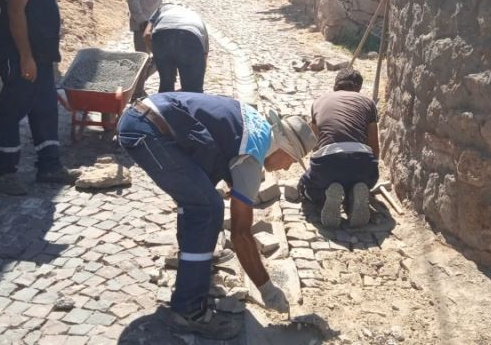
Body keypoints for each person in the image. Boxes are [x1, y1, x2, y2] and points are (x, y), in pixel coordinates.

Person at [117, 92, 316, 339]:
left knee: (198, 199)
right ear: (283, 146)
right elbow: (241, 234)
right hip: (148, 131)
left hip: (142, 119)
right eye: (291, 159)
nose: (287, 167)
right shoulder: (251, 155)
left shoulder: (255, 124)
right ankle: (188, 310)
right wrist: (267, 288)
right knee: (208, 209)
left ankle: (194, 269)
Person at [0, 0, 82, 196]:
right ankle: (3, 172)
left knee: (45, 110)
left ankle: (49, 166)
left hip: (41, 57)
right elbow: (16, 12)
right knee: (12, 110)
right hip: (20, 55)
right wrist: (26, 57)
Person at [298, 68, 380, 228]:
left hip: (329, 162)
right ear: (359, 88)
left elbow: (313, 143)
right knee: (357, 180)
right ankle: (354, 193)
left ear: (335, 85)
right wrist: (370, 171)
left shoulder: (318, 102)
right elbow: (374, 144)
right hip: (361, 162)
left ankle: (325, 195)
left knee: (306, 185)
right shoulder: (368, 103)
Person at [143, 3, 208, 93]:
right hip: (190, 36)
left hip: (162, 35)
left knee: (166, 86)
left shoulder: (161, 9)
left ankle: (165, 104)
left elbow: (146, 35)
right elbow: (204, 55)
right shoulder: (195, 16)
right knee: (193, 91)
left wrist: (158, 55)